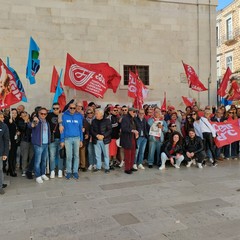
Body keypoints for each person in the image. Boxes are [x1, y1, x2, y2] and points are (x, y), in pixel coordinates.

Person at [60, 103, 83, 179]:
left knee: (76, 156)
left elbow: (80, 129)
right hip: (67, 139)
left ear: (76, 108)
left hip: (77, 138)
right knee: (69, 156)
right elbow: (62, 129)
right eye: (71, 108)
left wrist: (81, 140)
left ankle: (75, 171)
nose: (72, 109)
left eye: (74, 108)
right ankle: (69, 171)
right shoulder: (64, 116)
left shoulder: (79, 116)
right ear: (68, 108)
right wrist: (62, 140)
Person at [30, 107, 51, 184]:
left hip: (45, 144)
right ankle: (38, 176)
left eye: (45, 114)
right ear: (38, 114)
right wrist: (35, 121)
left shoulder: (47, 122)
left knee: (43, 160)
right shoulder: (37, 121)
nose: (43, 115)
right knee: (37, 161)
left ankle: (43, 174)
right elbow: (31, 126)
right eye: (41, 113)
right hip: (38, 144)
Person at [91, 108, 112, 173]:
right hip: (96, 139)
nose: (95, 114)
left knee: (106, 154)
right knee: (97, 154)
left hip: (104, 140)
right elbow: (91, 130)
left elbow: (110, 130)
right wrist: (97, 135)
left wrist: (103, 136)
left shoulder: (107, 120)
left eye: (97, 113)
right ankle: (98, 167)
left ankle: (107, 168)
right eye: (95, 113)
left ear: (101, 114)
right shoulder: (94, 121)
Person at [47, 102, 64, 178]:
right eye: (54, 108)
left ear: (59, 108)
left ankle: (60, 170)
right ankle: (52, 171)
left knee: (60, 156)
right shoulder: (49, 115)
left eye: (57, 108)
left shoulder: (63, 115)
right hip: (52, 139)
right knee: (52, 156)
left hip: (61, 139)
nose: (55, 110)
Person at [120, 107, 139, 174]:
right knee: (128, 154)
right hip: (127, 138)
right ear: (130, 112)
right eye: (134, 112)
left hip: (133, 138)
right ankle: (127, 168)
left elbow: (135, 127)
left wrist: (136, 132)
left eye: (135, 112)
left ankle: (131, 167)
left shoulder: (132, 118)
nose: (135, 113)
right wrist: (132, 130)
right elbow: (124, 128)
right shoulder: (125, 118)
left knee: (133, 153)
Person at [0, 111, 9, 194]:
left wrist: (5, 153)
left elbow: (6, 140)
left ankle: (0, 187)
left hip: (0, 152)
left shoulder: (4, 126)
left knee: (0, 169)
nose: (2, 118)